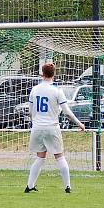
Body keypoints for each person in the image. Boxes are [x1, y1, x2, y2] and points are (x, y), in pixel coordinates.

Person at [25, 63, 85, 194]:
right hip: (52, 127)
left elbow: (30, 111)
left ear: (42, 73)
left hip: (37, 127)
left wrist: (36, 121)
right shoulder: (57, 90)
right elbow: (67, 112)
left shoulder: (34, 90)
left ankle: (29, 186)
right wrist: (79, 123)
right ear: (54, 74)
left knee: (40, 157)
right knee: (59, 156)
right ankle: (67, 186)